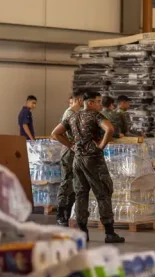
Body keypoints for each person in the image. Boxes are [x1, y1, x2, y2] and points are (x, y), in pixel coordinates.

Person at [51, 91, 125, 244]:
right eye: (97, 101)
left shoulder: (72, 116)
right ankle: (109, 232)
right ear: (90, 103)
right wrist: (101, 147)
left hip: (77, 159)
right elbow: (109, 129)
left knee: (80, 194)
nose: (100, 104)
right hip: (93, 159)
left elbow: (56, 133)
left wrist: (72, 146)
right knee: (103, 193)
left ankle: (83, 231)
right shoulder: (95, 116)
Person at [56, 89, 84, 226]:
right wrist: (71, 145)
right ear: (80, 100)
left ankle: (68, 212)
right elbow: (58, 134)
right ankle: (61, 214)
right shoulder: (70, 114)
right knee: (66, 183)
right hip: (69, 153)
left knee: (75, 184)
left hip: (76, 153)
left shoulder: (77, 113)